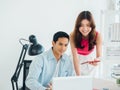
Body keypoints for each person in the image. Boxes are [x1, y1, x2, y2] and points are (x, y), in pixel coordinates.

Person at [70, 11, 102, 76]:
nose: (85, 29)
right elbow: (75, 58)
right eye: (81, 25)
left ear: (92, 26)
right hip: (75, 60)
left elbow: (99, 56)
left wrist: (97, 61)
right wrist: (79, 77)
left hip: (89, 61)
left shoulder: (97, 35)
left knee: (90, 83)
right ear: (78, 26)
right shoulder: (72, 35)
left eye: (88, 25)